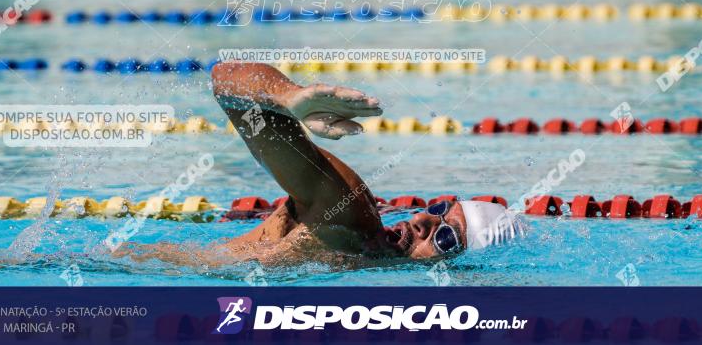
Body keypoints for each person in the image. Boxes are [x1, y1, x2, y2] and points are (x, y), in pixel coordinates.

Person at [200, 62, 526, 263]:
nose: (425, 221)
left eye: (446, 238)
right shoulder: (346, 212)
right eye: (440, 209)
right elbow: (225, 78)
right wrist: (286, 97)